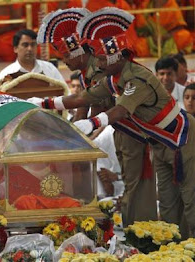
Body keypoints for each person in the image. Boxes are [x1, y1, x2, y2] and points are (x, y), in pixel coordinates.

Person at [30, 7, 158, 228]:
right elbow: (83, 106)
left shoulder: (100, 70)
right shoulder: (85, 72)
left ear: (77, 52)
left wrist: (72, 126)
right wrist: (70, 131)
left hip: (128, 129)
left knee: (134, 186)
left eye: (64, 57)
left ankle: (139, 230)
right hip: (117, 129)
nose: (64, 64)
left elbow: (90, 105)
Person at [0, 29, 65, 81]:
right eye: (25, 45)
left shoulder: (50, 69)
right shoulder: (6, 74)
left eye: (33, 45)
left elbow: (65, 92)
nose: (29, 49)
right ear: (15, 49)